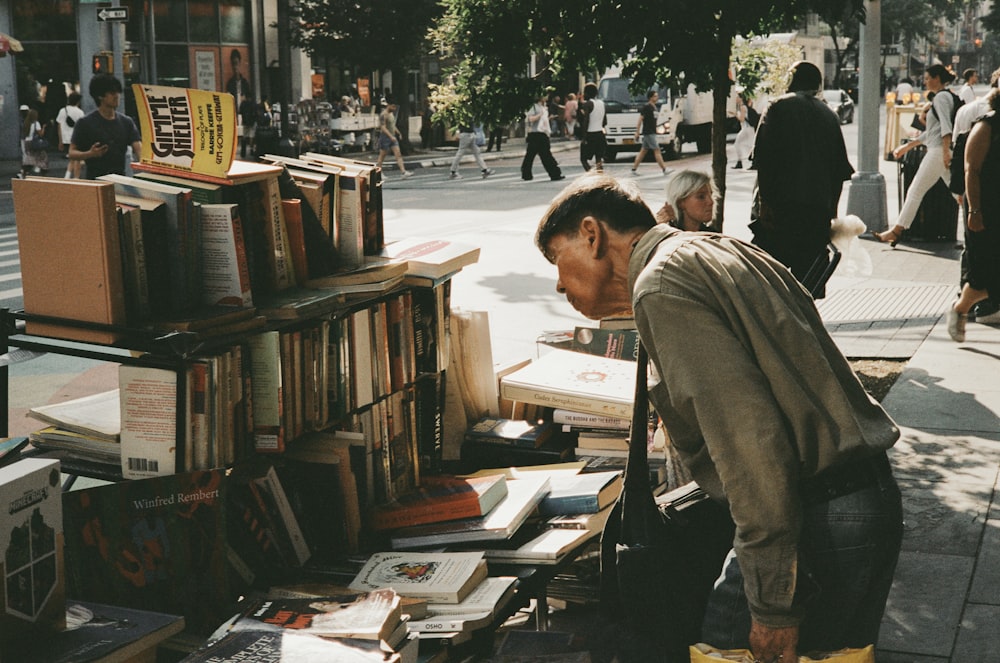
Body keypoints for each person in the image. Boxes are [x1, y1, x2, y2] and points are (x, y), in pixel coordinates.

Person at [534, 173, 903, 663]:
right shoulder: (713, 250)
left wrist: (773, 608)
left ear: (591, 234)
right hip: (852, 500)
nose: (559, 283)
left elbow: (750, 444)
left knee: (728, 649)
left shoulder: (660, 286)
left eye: (557, 260)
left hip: (818, 513)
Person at [751, 61, 854, 293]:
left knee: (768, 281)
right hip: (815, 214)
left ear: (791, 81)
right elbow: (839, 172)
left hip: (780, 211)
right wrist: (831, 214)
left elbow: (764, 162)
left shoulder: (776, 107)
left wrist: (764, 205)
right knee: (807, 285)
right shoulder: (829, 115)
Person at [874, 64, 958, 245]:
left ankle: (896, 231)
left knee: (915, 191)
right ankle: (979, 222)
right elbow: (933, 131)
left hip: (937, 151)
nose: (925, 81)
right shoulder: (944, 97)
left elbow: (945, 126)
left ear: (937, 79)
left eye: (928, 78)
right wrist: (907, 147)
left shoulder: (941, 98)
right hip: (940, 150)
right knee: (958, 192)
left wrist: (944, 151)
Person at [947, 89, 1000, 342]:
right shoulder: (987, 125)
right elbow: (972, 170)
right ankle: (960, 309)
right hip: (986, 208)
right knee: (984, 275)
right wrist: (975, 211)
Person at [69, 74, 142, 180]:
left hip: (120, 181)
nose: (117, 96)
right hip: (94, 181)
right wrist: (90, 154)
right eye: (112, 93)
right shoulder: (85, 123)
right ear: (100, 96)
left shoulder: (126, 122)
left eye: (118, 92)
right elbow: (72, 153)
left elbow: (139, 150)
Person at [521, 94, 564, 181]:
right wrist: (540, 114)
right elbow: (530, 119)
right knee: (540, 155)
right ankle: (554, 173)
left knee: (538, 155)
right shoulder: (534, 107)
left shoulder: (543, 107)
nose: (547, 97)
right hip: (535, 134)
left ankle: (554, 173)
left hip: (542, 133)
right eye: (545, 95)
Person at [630, 90, 669, 175]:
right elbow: (640, 119)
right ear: (650, 97)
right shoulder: (647, 107)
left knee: (643, 151)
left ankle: (634, 169)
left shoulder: (654, 107)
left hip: (652, 131)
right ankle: (664, 169)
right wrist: (637, 132)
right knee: (657, 150)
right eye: (655, 96)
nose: (657, 97)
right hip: (648, 132)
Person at [375, 97, 412, 179]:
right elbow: (383, 127)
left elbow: (392, 125)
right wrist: (390, 136)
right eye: (393, 107)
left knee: (398, 154)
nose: (394, 109)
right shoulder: (383, 115)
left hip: (393, 137)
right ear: (388, 105)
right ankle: (379, 172)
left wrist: (398, 133)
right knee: (382, 156)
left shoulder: (391, 114)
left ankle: (403, 172)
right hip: (385, 137)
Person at [579, 82, 607, 172]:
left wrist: (583, 138)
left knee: (583, 159)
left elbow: (586, 122)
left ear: (587, 93)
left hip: (590, 134)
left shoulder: (588, 104)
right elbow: (605, 121)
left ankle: (592, 175)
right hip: (600, 134)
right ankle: (600, 176)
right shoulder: (601, 103)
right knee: (598, 159)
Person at [56, 92, 85, 178]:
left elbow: (59, 126)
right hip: (76, 138)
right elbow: (82, 128)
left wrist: (60, 141)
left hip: (65, 139)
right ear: (78, 101)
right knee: (77, 159)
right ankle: (76, 178)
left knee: (72, 159)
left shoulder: (62, 110)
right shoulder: (80, 112)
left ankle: (67, 176)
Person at [732, 92, 759, 169]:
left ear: (741, 99)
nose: (736, 99)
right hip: (748, 129)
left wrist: (735, 114)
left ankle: (743, 162)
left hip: (746, 129)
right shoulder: (744, 107)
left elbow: (742, 119)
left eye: (737, 97)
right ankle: (744, 162)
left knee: (739, 144)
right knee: (749, 145)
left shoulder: (742, 107)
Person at [20, 107, 49, 177]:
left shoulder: (26, 123)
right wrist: (44, 128)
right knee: (42, 156)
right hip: (34, 142)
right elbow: (41, 134)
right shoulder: (36, 123)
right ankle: (43, 170)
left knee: (29, 156)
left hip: (27, 142)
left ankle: (25, 171)